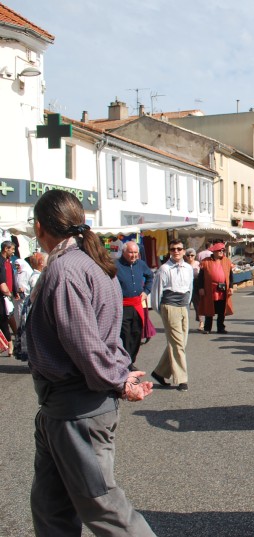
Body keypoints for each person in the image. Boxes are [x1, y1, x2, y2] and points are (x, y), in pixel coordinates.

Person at [25, 189, 155, 536]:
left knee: (103, 507)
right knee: (51, 506)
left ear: (39, 227)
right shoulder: (89, 262)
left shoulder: (66, 269)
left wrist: (118, 380)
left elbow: (84, 343)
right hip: (63, 407)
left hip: (77, 408)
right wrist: (119, 375)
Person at [151, 239, 194, 391]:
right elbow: (156, 292)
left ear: (183, 251)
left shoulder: (188, 268)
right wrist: (162, 311)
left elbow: (190, 288)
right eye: (173, 249)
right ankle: (182, 380)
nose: (176, 251)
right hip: (170, 306)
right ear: (169, 251)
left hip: (183, 306)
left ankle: (159, 372)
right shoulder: (164, 269)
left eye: (179, 249)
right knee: (177, 344)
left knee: (182, 342)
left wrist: (187, 306)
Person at [115, 241, 154, 368]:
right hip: (123, 305)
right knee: (125, 335)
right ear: (124, 252)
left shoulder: (141, 264)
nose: (134, 255)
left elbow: (150, 276)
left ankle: (131, 360)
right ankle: (126, 363)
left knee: (137, 334)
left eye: (136, 252)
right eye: (131, 252)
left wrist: (146, 291)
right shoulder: (115, 265)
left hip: (137, 304)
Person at [198, 241, 234, 334]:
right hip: (210, 289)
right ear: (214, 251)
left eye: (223, 250)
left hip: (223, 289)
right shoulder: (205, 261)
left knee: (222, 309)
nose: (221, 252)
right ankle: (207, 328)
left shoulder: (226, 261)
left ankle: (220, 328)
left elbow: (231, 275)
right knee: (209, 308)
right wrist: (201, 287)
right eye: (219, 250)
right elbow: (200, 276)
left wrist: (231, 287)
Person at [0, 240, 18, 354]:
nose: (13, 252)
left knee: (7, 318)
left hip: (7, 294)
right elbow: (2, 282)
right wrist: (7, 292)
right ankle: (10, 344)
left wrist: (14, 291)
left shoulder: (8, 262)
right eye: (12, 249)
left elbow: (11, 278)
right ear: (6, 249)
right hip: (4, 295)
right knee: (4, 319)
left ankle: (13, 341)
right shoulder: (1, 262)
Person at [184, 248, 202, 329]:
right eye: (188, 255)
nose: (190, 257)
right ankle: (184, 324)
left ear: (195, 256)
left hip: (196, 285)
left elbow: (201, 276)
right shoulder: (184, 265)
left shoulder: (198, 264)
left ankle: (201, 322)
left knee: (197, 305)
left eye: (192, 255)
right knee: (185, 305)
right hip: (186, 286)